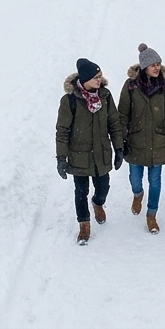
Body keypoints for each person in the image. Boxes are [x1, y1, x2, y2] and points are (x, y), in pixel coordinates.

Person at [56, 58, 125, 245]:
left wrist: (119, 148)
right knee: (81, 191)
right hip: (79, 155)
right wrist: (61, 158)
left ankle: (98, 202)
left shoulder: (105, 96)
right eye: (96, 77)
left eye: (100, 76)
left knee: (103, 187)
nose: (99, 80)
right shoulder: (70, 101)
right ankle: (84, 224)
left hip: (101, 153)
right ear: (85, 79)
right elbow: (62, 131)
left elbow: (114, 123)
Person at [118, 43, 165, 234]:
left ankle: (151, 214)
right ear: (144, 66)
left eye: (159, 64)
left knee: (155, 181)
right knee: (135, 179)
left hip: (158, 141)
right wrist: (121, 142)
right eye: (153, 64)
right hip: (135, 141)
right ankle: (138, 194)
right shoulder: (130, 86)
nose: (157, 68)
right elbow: (123, 115)